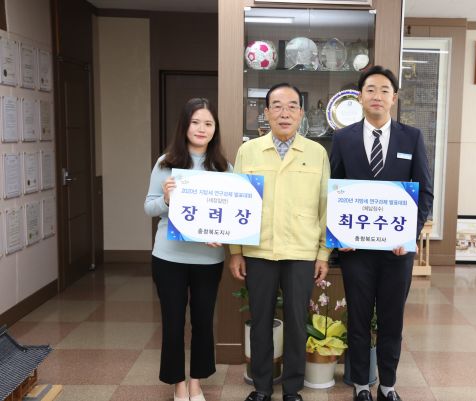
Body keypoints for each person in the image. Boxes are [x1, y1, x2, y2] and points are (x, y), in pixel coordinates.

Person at [330, 66, 434, 401]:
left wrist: (409, 235)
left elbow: (425, 192)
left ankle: (388, 384)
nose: (377, 96)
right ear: (360, 97)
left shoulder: (411, 137)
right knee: (358, 319)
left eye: (384, 90)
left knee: (392, 321)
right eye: (370, 89)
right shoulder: (343, 138)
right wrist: (340, 234)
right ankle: (361, 384)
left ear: (394, 98)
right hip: (356, 252)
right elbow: (334, 190)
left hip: (397, 252)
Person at [229, 83, 330, 401]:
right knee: (261, 321)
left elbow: (325, 205)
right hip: (259, 249)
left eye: (291, 106)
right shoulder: (249, 151)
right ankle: (261, 387)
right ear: (266, 112)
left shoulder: (316, 153)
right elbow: (237, 202)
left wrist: (323, 253)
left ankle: (292, 388)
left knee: (297, 323)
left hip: (301, 251)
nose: (284, 113)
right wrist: (236, 252)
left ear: (301, 113)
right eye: (277, 106)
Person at [144, 98, 229, 401]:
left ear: (215, 129)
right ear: (184, 126)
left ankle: (196, 383)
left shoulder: (223, 168)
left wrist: (223, 234)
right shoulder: (166, 163)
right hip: (169, 257)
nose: (201, 129)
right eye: (195, 122)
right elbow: (149, 207)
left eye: (208, 123)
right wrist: (166, 200)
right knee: (173, 322)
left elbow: (230, 216)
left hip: (208, 259)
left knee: (203, 322)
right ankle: (178, 384)